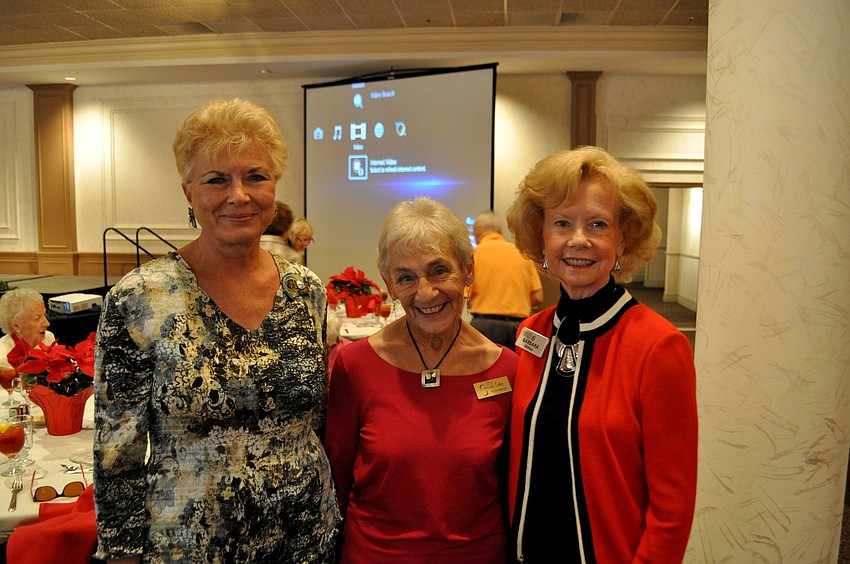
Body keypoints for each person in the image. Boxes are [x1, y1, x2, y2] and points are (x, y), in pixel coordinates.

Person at [93, 98, 340, 563]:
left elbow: (317, 424)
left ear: (275, 187)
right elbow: (116, 454)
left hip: (307, 537)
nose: (239, 195)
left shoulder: (306, 290)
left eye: (255, 176)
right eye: (216, 180)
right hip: (191, 546)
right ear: (188, 192)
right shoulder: (139, 298)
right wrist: (123, 553)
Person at [505, 146, 697, 562]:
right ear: (541, 236)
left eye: (598, 224)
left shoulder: (658, 347)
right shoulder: (530, 334)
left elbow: (672, 509)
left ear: (622, 238)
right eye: (561, 223)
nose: (578, 239)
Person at [325, 196, 518, 563]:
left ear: (468, 271)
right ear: (389, 285)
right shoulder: (356, 365)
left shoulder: (507, 370)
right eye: (406, 278)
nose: (425, 292)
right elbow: (338, 479)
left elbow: (512, 486)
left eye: (440, 271)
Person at [468, 210, 543, 350]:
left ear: (477, 231)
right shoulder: (521, 254)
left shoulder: (474, 255)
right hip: (520, 328)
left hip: (485, 327)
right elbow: (538, 297)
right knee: (518, 370)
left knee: (487, 372)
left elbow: (464, 294)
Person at [0, 288, 55, 365]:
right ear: (16, 325)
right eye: (37, 318)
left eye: (45, 315)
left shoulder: (48, 337)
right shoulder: (3, 357)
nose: (47, 323)